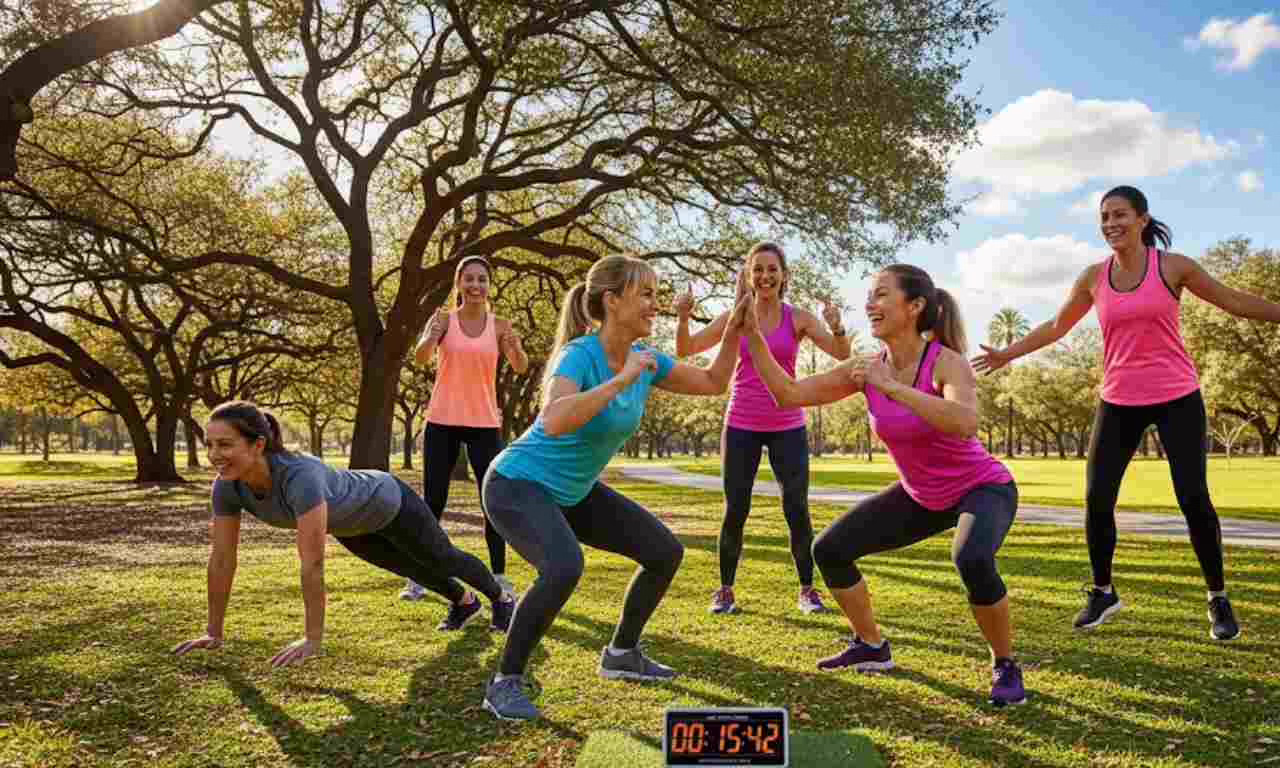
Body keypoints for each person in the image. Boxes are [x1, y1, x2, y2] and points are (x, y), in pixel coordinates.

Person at [974, 185, 1280, 642]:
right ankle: (1103, 592)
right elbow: (1057, 326)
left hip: (1177, 396)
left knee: (1193, 497)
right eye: (1104, 217)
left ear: (1142, 219)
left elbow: (1234, 301)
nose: (1111, 224)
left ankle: (1217, 596)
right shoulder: (1093, 277)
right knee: (1097, 498)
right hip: (1118, 399)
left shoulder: (1174, 267)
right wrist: (1008, 353)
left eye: (1119, 215)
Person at [740, 264, 1026, 707]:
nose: (869, 305)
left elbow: (965, 422)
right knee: (829, 550)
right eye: (868, 297)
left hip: (982, 488)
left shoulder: (946, 362)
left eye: (880, 296)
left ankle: (1005, 663)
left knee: (971, 556)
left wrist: (891, 387)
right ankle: (871, 645)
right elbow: (790, 394)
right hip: (920, 496)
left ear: (914, 307)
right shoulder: (864, 368)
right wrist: (753, 338)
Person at [479, 254, 746, 720]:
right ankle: (505, 681)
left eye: (656, 296)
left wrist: (736, 328)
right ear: (612, 299)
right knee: (563, 567)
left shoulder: (648, 359)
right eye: (645, 294)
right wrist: (622, 379)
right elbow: (556, 418)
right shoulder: (579, 355)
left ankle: (622, 653)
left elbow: (713, 381)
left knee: (663, 552)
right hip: (516, 483)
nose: (654, 305)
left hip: (572, 490)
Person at [173, 402, 516, 668]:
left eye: (225, 444)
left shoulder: (299, 476)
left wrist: (312, 639)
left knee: (441, 557)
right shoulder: (227, 487)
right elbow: (221, 560)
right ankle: (464, 603)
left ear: (258, 444)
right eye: (210, 444)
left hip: (388, 500)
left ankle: (500, 599)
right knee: (410, 568)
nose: (214, 455)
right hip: (350, 525)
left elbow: (312, 564)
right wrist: (213, 631)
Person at [675, 242, 851, 615]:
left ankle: (807, 589)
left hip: (787, 423)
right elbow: (686, 348)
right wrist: (683, 316)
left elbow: (840, 354)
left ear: (784, 275)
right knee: (735, 509)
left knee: (796, 508)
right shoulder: (734, 318)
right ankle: (725, 590)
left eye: (772, 269)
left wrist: (837, 326)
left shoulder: (798, 318)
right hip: (741, 423)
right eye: (758, 270)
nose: (765, 276)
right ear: (748, 275)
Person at [400, 256, 529, 603]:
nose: (476, 285)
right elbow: (422, 358)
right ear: (458, 283)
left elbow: (520, 367)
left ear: (490, 284)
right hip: (442, 420)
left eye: (482, 279)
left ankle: (499, 577)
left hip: (484, 424)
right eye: (469, 279)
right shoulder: (443, 319)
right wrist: (431, 336)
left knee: (493, 502)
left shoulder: (500, 325)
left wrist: (515, 346)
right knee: (433, 502)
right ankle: (419, 576)